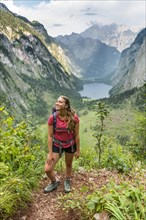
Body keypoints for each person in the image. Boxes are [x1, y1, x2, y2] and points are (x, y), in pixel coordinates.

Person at [44, 95, 80, 193]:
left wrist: (78, 150)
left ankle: (67, 180)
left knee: (68, 164)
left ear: (66, 105)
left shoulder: (74, 118)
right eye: (57, 101)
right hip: (57, 144)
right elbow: (50, 136)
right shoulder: (53, 118)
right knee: (48, 169)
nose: (57, 103)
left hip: (70, 144)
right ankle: (54, 182)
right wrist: (50, 153)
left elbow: (76, 135)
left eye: (60, 102)